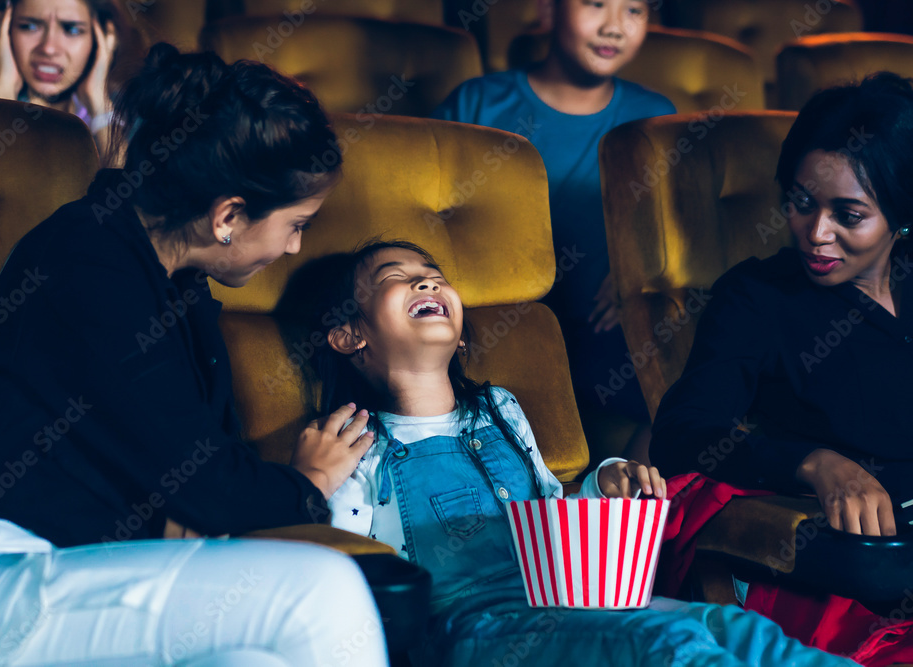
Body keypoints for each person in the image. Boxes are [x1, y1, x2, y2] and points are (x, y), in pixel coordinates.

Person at [0, 44, 385, 666]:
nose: (295, 247)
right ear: (229, 217)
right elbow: (211, 487)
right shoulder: (88, 260)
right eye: (297, 223)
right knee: (322, 593)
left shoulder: (175, 284)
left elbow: (203, 485)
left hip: (72, 564)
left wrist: (204, 502)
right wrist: (309, 483)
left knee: (254, 658)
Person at [300, 239, 857, 666]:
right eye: (398, 279)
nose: (426, 285)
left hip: (573, 599)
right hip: (472, 630)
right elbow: (343, 562)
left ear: (462, 333)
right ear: (350, 335)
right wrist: (317, 485)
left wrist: (606, 482)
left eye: (435, 278)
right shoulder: (355, 439)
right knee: (668, 640)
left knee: (742, 631)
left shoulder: (498, 409)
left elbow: (550, 508)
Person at [651, 73, 913, 538]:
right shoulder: (759, 297)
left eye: (848, 216)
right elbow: (682, 434)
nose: (816, 234)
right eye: (802, 203)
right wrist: (813, 464)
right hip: (866, 554)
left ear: (901, 216)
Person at [432, 0, 675, 449]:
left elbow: (674, 227)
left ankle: (631, 504)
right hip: (491, 323)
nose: (614, 27)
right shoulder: (478, 102)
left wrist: (639, 270)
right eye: (596, 4)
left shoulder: (656, 116)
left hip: (606, 330)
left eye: (634, 11)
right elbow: (422, 218)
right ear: (548, 10)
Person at [0, 0, 143, 162]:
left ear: (104, 37)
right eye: (30, 26)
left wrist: (100, 107)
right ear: (0, 29)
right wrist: (4, 97)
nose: (49, 48)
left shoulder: (133, 114)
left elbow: (130, 199)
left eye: (72, 29)